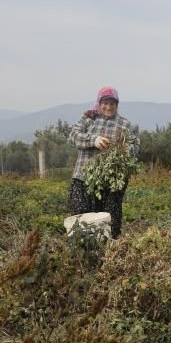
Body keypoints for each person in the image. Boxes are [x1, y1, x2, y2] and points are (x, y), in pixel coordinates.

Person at [68, 86, 140, 239]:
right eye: (105, 103)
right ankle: (83, 248)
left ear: (117, 105)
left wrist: (125, 149)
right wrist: (94, 140)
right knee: (81, 216)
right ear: (99, 103)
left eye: (112, 103)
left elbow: (135, 147)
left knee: (109, 219)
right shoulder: (89, 119)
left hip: (111, 181)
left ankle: (109, 248)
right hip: (83, 177)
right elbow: (73, 136)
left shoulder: (125, 125)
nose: (108, 107)